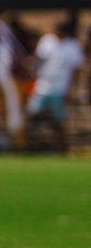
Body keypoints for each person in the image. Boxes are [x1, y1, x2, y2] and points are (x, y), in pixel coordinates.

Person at [26, 18, 85, 152]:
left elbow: (76, 70)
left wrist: (72, 88)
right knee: (31, 113)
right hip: (42, 86)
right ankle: (28, 146)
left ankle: (62, 147)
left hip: (60, 88)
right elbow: (38, 60)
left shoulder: (73, 46)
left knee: (59, 120)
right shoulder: (47, 41)